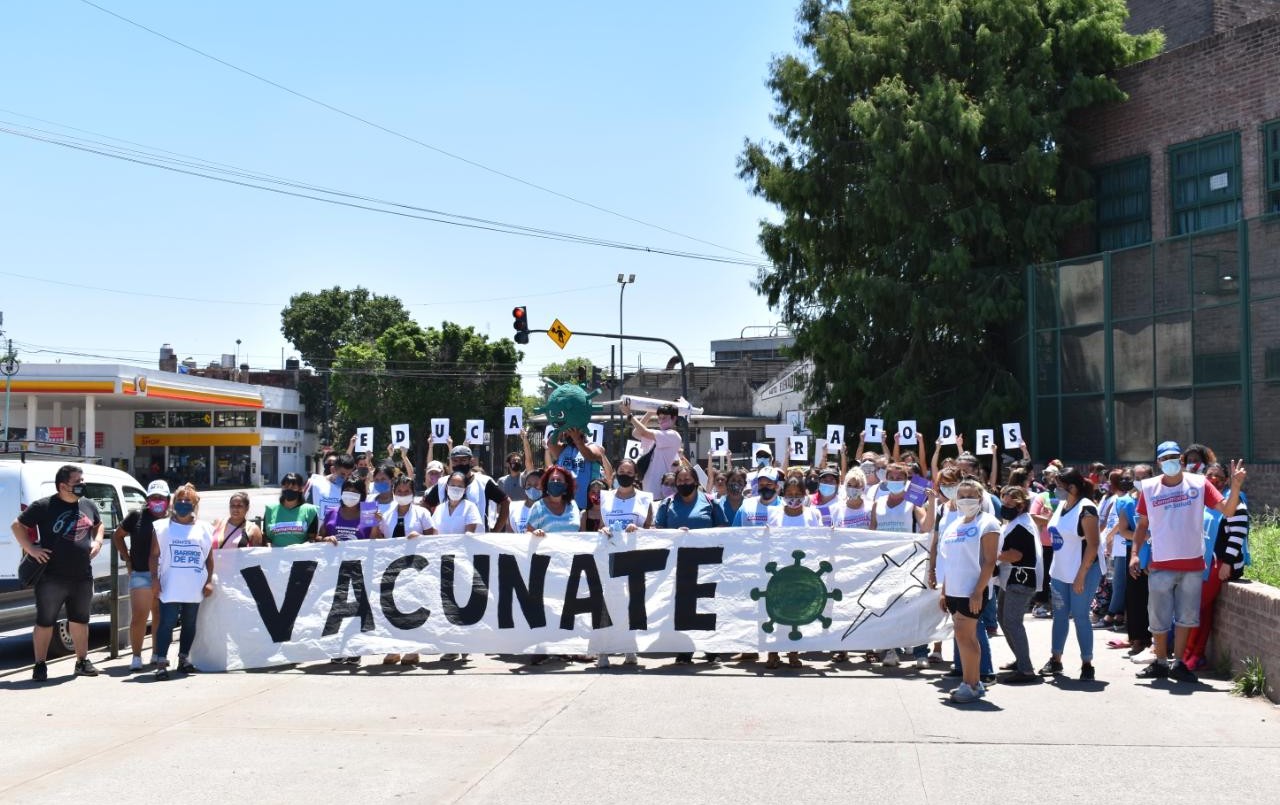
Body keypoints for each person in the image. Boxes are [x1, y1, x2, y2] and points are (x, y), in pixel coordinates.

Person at [1131, 442, 1245, 683]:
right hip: (1161, 562)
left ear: (1181, 460)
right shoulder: (1149, 488)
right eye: (1165, 458)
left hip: (1193, 564)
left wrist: (1235, 487)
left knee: (1186, 617)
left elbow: (1227, 510)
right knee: (1158, 619)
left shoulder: (1199, 483)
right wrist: (1134, 554)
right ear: (1159, 463)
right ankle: (1161, 662)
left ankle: (1178, 663)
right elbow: (1142, 525)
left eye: (1174, 457)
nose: (1170, 461)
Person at [12, 465, 104, 681]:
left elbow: (99, 525)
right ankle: (40, 665)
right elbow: (17, 525)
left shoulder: (88, 504)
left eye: (82, 480)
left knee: (80, 620)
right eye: (78, 482)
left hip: (82, 576)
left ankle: (82, 661)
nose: (83, 485)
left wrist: (98, 541)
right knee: (45, 622)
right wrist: (31, 548)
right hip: (51, 577)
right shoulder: (44, 506)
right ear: (63, 485)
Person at [654, 464, 728, 666]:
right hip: (677, 564)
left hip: (707, 562)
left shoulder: (711, 502)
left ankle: (711, 649)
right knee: (682, 607)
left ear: (696, 481)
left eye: (687, 480)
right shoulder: (667, 504)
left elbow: (722, 528)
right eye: (680, 481)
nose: (683, 484)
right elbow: (657, 530)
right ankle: (685, 650)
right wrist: (675, 534)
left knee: (707, 604)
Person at [936, 479, 1000, 703]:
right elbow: (949, 561)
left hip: (971, 591)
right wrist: (944, 592)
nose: (965, 500)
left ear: (981, 498)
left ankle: (970, 684)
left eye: (970, 495)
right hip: (954, 590)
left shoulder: (988, 523)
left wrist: (977, 591)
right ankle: (973, 682)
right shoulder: (955, 524)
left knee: (966, 637)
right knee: (966, 638)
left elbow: (990, 561)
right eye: (961, 495)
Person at [1182, 462, 1250, 671]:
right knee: (1204, 609)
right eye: (1209, 475)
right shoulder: (1205, 501)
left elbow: (1238, 535)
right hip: (1204, 562)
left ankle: (1189, 654)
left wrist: (1227, 563)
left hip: (1222, 563)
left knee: (1196, 607)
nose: (1213, 479)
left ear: (1227, 480)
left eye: (1218, 476)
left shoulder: (1234, 501)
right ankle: (1195, 655)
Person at [1039, 467, 1102, 681]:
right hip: (1060, 571)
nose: (1056, 490)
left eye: (1059, 486)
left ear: (1072, 487)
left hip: (1082, 571)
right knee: (1059, 616)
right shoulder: (1063, 506)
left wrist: (1081, 576)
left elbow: (1093, 545)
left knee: (1081, 616)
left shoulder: (1087, 509)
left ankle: (1087, 663)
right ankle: (1055, 659)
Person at [149, 484, 214, 680]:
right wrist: (155, 579)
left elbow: (209, 559)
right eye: (180, 500)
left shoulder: (205, 529)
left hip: (194, 586)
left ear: (195, 504)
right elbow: (153, 556)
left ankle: (183, 658)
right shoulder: (161, 527)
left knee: (189, 623)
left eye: (188, 501)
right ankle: (161, 661)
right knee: (167, 623)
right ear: (174, 503)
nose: (184, 504)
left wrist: (209, 581)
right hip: (170, 584)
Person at [377, 476, 436, 665]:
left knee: (412, 608)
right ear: (393, 492)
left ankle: (412, 649)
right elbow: (379, 540)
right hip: (391, 569)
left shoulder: (422, 513)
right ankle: (392, 649)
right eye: (399, 492)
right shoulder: (385, 515)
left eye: (406, 492)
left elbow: (434, 538)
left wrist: (419, 537)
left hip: (415, 569)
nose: (403, 495)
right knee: (390, 608)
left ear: (413, 493)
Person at [113, 479, 169, 672]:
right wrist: (127, 559)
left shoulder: (173, 519)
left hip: (165, 575)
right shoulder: (136, 516)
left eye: (161, 498)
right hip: (141, 573)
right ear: (147, 499)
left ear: (168, 500)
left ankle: (156, 653)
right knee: (139, 616)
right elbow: (117, 536)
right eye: (153, 497)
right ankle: (136, 656)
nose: (157, 501)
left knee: (159, 615)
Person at [996, 486, 1041, 684]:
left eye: (1009, 503)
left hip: (1019, 579)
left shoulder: (1020, 526)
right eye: (1003, 502)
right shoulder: (1017, 522)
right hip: (1011, 579)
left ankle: (1026, 670)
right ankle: (1021, 659)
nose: (1005, 506)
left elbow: (1016, 555)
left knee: (1012, 622)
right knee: (1003, 619)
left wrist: (992, 556)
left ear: (1021, 505)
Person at [423, 445, 509, 533]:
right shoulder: (442, 483)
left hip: (477, 541)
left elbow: (505, 502)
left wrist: (495, 531)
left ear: (471, 461)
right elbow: (425, 505)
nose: (459, 463)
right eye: (455, 460)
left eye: (463, 460)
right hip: (447, 541)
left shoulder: (484, 482)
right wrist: (428, 529)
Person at [627, 401, 683, 497]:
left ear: (674, 418)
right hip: (647, 488)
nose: (661, 421)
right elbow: (636, 433)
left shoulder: (673, 435)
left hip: (663, 489)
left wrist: (629, 415)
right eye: (659, 418)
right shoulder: (657, 436)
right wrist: (650, 412)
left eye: (664, 418)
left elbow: (644, 432)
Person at [546, 424, 607, 512]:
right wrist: (562, 426)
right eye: (567, 432)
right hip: (565, 505)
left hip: (586, 506)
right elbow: (550, 444)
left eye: (573, 430)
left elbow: (589, 455)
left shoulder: (594, 447)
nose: (568, 434)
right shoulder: (563, 449)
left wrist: (577, 439)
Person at [263, 472, 321, 546]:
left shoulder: (310, 511)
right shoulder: (270, 510)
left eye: (293, 487)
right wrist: (268, 544)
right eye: (286, 486)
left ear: (300, 489)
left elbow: (312, 539)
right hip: (275, 555)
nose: (289, 489)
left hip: (300, 556)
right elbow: (265, 536)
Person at [600, 458, 653, 534]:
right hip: (610, 544)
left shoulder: (645, 499)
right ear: (616, 473)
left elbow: (650, 529)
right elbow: (601, 526)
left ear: (635, 475)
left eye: (629, 472)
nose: (625, 475)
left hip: (635, 544)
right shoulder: (605, 497)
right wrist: (603, 529)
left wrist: (638, 529)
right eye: (621, 472)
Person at [304, 453, 354, 523]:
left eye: (348, 475)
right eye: (342, 474)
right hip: (316, 532)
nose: (345, 478)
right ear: (333, 470)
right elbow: (304, 508)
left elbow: (366, 517)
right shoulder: (315, 483)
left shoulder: (352, 489)